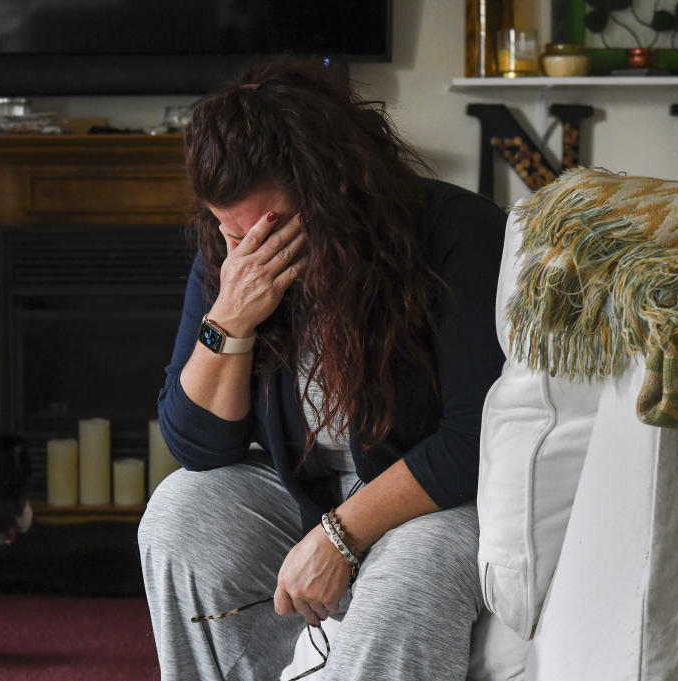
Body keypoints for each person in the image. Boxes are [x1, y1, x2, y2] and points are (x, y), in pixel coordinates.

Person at [138, 59, 506, 680]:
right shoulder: (234, 252)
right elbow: (198, 444)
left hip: (432, 499)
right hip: (305, 491)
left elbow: (476, 439)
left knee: (418, 572)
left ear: (334, 188)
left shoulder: (458, 233)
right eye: (229, 229)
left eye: (269, 225)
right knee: (181, 514)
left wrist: (341, 536)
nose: (248, 245)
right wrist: (231, 318)